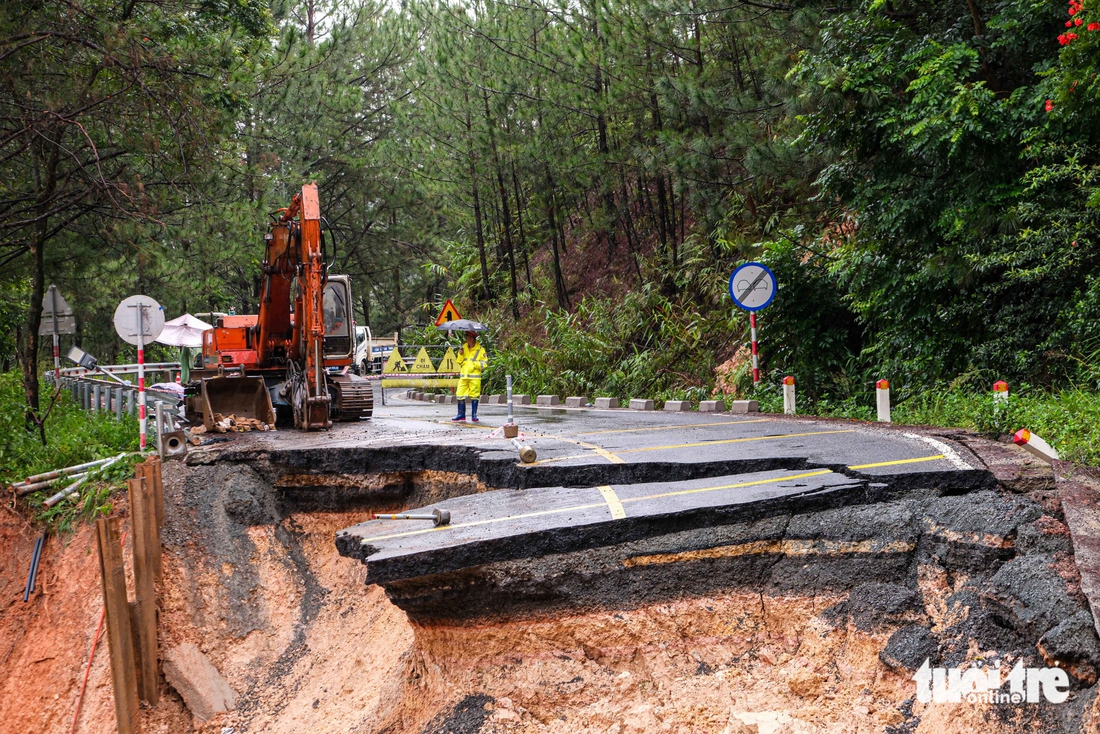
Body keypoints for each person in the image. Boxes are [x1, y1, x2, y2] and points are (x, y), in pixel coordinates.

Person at [453, 330, 488, 422]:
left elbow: (484, 364)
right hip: (464, 376)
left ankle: (474, 415)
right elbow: (459, 361)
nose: (466, 339)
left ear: (473, 339)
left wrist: (474, 364)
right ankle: (461, 414)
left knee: (475, 396)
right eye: (466, 337)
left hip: (474, 377)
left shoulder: (480, 350)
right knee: (459, 394)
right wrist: (460, 354)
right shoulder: (463, 347)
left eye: (468, 337)